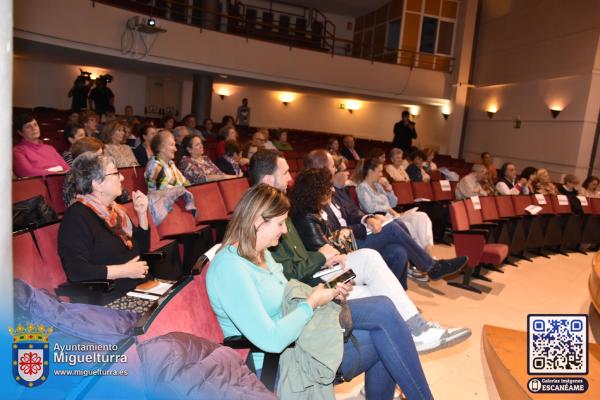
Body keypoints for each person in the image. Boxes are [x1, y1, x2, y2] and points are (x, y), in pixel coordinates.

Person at [206, 184, 434, 400]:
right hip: (274, 360)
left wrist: (325, 292)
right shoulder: (230, 268)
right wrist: (312, 303)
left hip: (298, 336)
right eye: (280, 223)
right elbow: (271, 340)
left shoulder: (260, 251)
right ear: (258, 222)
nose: (285, 230)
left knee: (384, 310)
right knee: (385, 336)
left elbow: (286, 295)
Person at [248, 150, 471, 354]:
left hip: (316, 270)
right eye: (286, 172)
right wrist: (322, 256)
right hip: (306, 286)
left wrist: (326, 257)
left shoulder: (279, 209)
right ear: (268, 180)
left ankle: (414, 328)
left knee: (390, 270)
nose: (290, 178)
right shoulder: (263, 218)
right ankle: (417, 325)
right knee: (373, 259)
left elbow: (303, 257)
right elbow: (289, 275)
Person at [312, 152, 468, 284]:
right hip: (346, 244)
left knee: (399, 251)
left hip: (357, 234)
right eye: (336, 168)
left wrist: (368, 219)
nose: (347, 173)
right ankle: (432, 267)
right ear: (325, 170)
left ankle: (398, 298)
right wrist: (365, 226)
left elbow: (354, 212)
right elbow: (333, 232)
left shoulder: (337, 191)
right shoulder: (316, 196)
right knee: (394, 227)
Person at [58, 153, 150, 304]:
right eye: (115, 173)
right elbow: (76, 271)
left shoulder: (115, 212)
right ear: (97, 184)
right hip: (108, 298)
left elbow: (140, 252)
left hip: (138, 287)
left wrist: (141, 214)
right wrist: (125, 271)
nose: (122, 178)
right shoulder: (76, 217)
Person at [356, 157, 435, 253]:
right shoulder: (362, 187)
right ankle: (426, 258)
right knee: (414, 227)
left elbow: (394, 203)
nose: (381, 175)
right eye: (379, 171)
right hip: (381, 219)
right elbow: (369, 208)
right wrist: (389, 209)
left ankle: (428, 252)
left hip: (393, 216)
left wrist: (389, 189)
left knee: (422, 216)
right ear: (370, 171)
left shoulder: (378, 186)